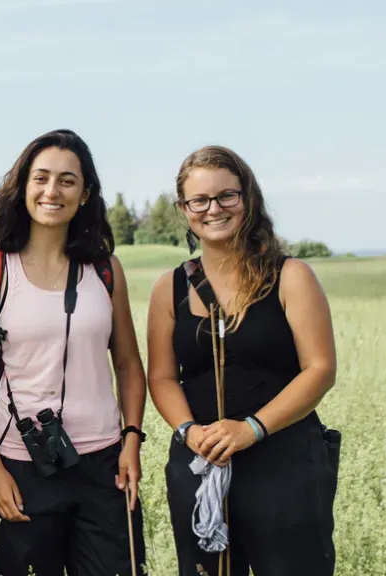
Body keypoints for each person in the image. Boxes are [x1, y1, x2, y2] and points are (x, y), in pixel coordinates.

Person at [0, 128, 150, 576]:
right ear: (23, 186)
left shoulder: (106, 269)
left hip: (105, 466)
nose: (52, 190)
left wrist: (132, 440)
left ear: (85, 194)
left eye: (67, 180)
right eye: (41, 178)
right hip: (22, 466)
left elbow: (127, 363)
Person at [145, 145, 339, 576]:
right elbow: (160, 377)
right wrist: (188, 432)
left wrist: (251, 429)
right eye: (199, 200)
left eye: (226, 196)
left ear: (247, 198)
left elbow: (320, 369)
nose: (213, 209)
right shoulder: (169, 288)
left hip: (283, 464)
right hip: (199, 467)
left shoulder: (290, 276)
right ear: (184, 209)